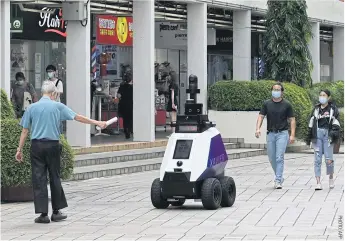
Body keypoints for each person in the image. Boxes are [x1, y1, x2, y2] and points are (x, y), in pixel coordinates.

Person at [15, 81, 107, 224]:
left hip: (37, 146)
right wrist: (97, 123)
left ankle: (43, 214)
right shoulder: (58, 106)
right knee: (55, 177)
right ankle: (56, 212)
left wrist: (19, 149)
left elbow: (25, 130)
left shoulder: (32, 108)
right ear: (53, 94)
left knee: (39, 179)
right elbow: (78, 117)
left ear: (41, 93)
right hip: (52, 145)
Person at [255, 82, 296, 189]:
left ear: (282, 92)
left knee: (279, 157)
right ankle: (279, 176)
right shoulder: (266, 103)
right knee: (272, 158)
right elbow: (261, 116)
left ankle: (278, 180)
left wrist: (292, 135)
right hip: (270, 134)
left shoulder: (287, 104)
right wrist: (258, 129)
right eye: (274, 89)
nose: (276, 92)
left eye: (278, 90)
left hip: (282, 133)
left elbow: (292, 120)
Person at [306, 89, 340, 190]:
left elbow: (336, 123)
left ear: (328, 97)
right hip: (317, 135)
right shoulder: (316, 109)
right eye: (320, 95)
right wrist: (309, 138)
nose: (322, 97)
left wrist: (333, 135)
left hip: (328, 135)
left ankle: (330, 179)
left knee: (329, 159)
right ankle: (318, 182)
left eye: (324, 95)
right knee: (317, 159)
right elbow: (311, 123)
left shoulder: (333, 109)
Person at [117, 71, 133, 139]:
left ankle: (126, 130)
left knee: (125, 119)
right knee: (130, 118)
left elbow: (118, 95)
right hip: (131, 104)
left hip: (123, 104)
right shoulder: (133, 88)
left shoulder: (122, 86)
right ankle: (130, 130)